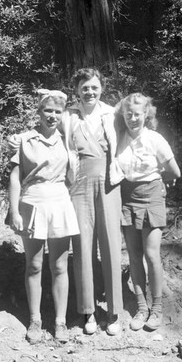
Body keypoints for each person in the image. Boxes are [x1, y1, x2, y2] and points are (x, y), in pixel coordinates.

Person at [8, 89, 80, 344]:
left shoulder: (68, 140)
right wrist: (14, 210)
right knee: (34, 264)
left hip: (59, 202)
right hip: (32, 203)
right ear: (38, 113)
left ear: (63, 115)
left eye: (57, 112)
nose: (52, 116)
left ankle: (60, 322)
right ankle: (35, 319)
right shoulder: (25, 140)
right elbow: (15, 177)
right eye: (47, 110)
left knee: (60, 265)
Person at [60, 68, 124, 336]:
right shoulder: (68, 117)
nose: (90, 92)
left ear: (101, 89)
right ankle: (88, 312)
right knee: (83, 245)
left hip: (108, 181)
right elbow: (48, 135)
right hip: (79, 182)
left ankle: (114, 312)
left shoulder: (111, 114)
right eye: (84, 88)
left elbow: (136, 133)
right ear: (76, 90)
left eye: (94, 87)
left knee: (110, 243)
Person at [115, 93, 181, 331]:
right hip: (127, 199)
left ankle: (157, 309)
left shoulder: (155, 139)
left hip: (151, 197)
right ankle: (141, 307)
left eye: (138, 114)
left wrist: (162, 181)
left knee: (152, 255)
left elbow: (175, 171)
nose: (133, 118)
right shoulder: (119, 138)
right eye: (128, 114)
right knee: (133, 255)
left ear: (146, 115)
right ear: (123, 115)